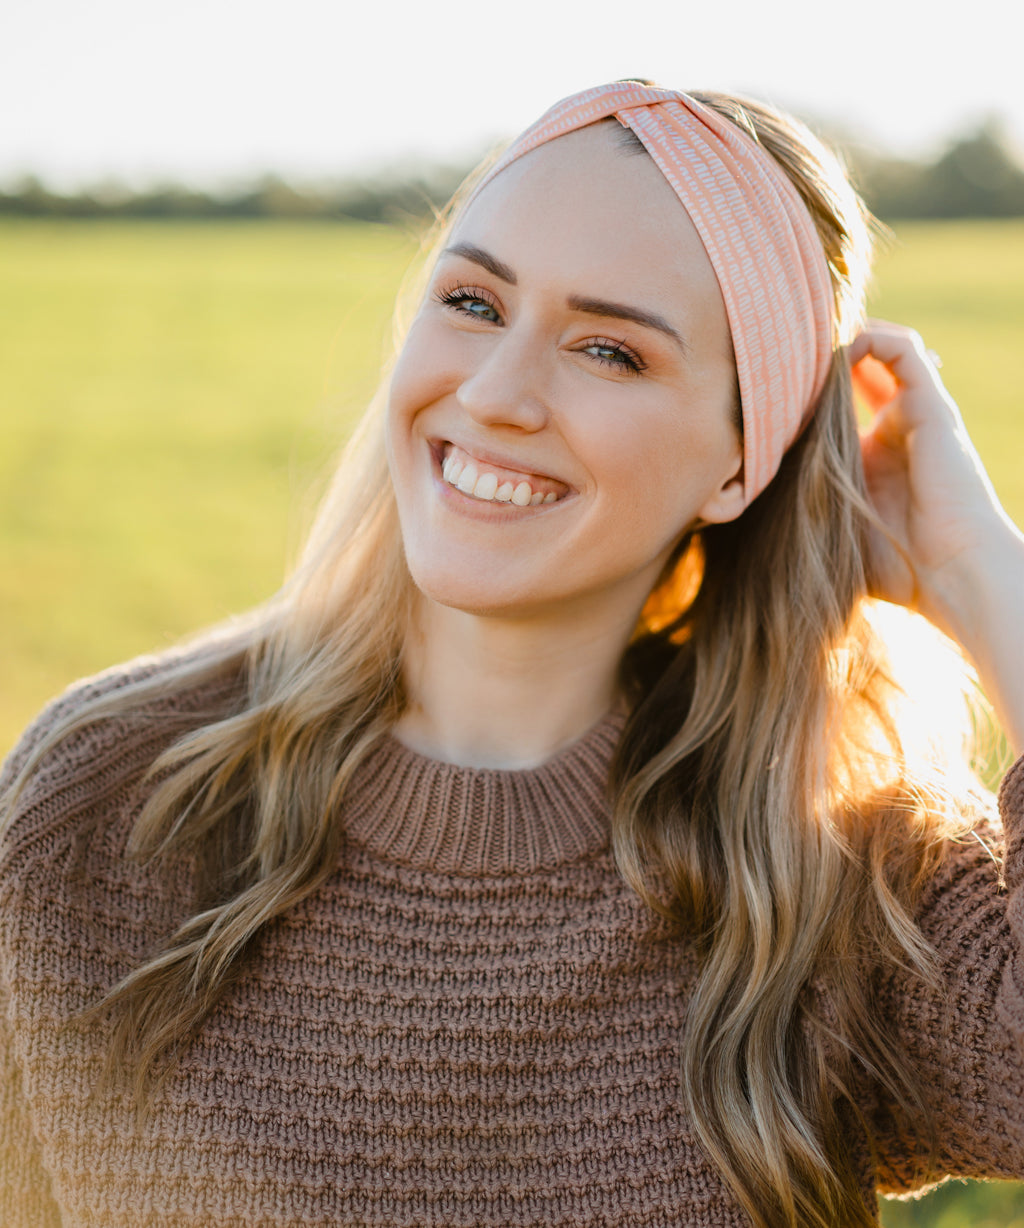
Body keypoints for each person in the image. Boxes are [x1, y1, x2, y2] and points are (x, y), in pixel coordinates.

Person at [1, 80, 1023, 1228]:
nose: (493, 396)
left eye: (607, 350)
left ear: (744, 460)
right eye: (474, 303)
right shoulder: (103, 797)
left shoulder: (824, 873)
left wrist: (984, 580)